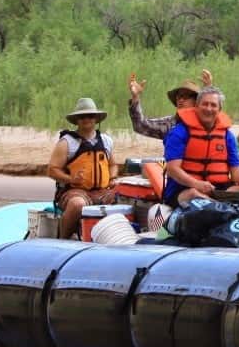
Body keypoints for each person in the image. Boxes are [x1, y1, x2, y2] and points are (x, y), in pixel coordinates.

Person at [162, 86, 239, 210]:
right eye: (205, 104)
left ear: (219, 110)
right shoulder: (179, 132)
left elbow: (236, 172)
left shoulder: (227, 136)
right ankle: (227, 211)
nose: (208, 108)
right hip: (184, 189)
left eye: (213, 105)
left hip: (218, 189)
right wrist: (196, 184)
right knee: (194, 194)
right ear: (196, 106)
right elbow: (173, 170)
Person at [48, 98, 119, 239]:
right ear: (77, 120)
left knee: (124, 197)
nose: (86, 119)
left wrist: (112, 178)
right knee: (77, 204)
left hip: (102, 191)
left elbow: (113, 165)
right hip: (74, 191)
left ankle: (112, 238)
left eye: (90, 116)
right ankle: (63, 239)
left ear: (96, 119)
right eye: (82, 116)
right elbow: (52, 170)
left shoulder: (106, 141)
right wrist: (71, 178)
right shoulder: (67, 142)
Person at [127, 69, 211, 139]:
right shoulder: (170, 124)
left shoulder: (206, 122)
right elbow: (141, 126)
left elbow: (213, 114)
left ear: (196, 101)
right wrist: (135, 97)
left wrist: (208, 91)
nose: (180, 100)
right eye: (179, 96)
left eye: (185, 96)